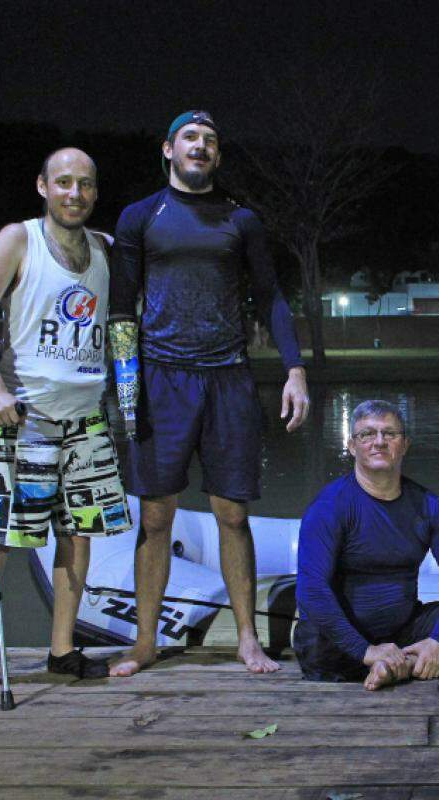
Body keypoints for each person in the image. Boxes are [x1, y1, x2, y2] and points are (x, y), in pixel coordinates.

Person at [107, 111, 310, 676]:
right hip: (160, 379)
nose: (201, 146)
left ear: (218, 157)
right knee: (155, 517)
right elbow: (122, 309)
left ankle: (248, 639)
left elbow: (270, 297)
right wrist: (125, 390)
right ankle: (145, 643)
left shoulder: (240, 220)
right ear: (168, 149)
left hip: (228, 379)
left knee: (233, 513)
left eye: (211, 141)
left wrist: (294, 369)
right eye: (190, 138)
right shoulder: (140, 217)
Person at [0, 148, 132, 701]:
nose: (76, 193)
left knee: (79, 535)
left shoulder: (106, 251)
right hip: (25, 419)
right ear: (44, 186)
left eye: (86, 184)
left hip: (89, 422)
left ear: (95, 192)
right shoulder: (18, 239)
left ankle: (62, 650)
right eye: (65, 182)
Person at [294, 400, 439, 689]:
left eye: (389, 434)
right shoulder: (330, 506)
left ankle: (401, 667)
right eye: (367, 434)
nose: (379, 442)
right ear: (352, 446)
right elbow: (312, 590)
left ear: (404, 444)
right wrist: (366, 651)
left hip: (402, 635)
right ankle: (393, 664)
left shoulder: (428, 505)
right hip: (338, 644)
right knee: (316, 637)